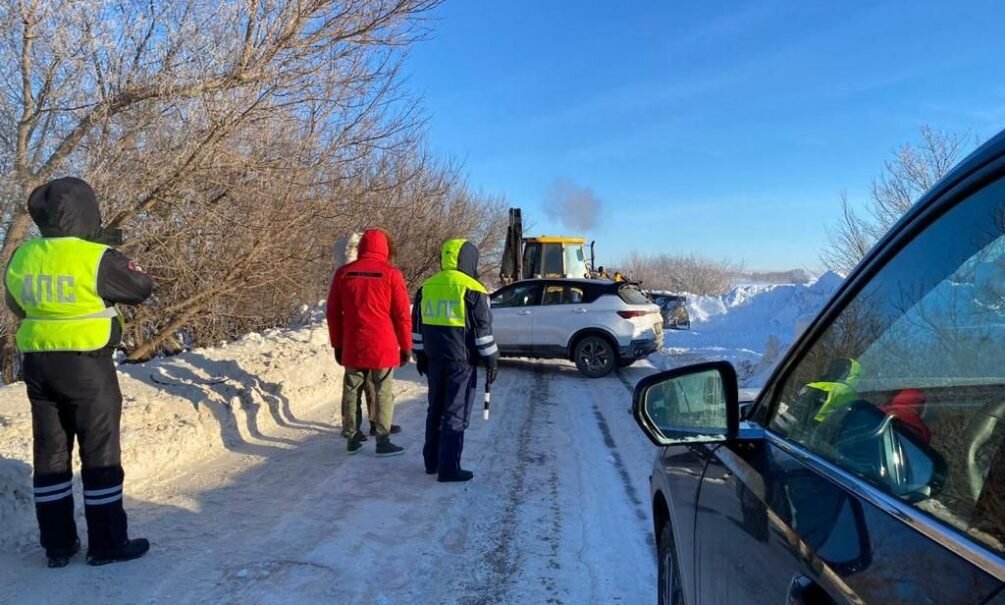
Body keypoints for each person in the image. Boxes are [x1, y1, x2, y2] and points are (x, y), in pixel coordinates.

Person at [3, 177, 153, 567]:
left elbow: (15, 302)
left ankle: (57, 545)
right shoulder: (95, 256)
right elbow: (141, 287)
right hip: (86, 366)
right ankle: (106, 544)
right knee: (100, 455)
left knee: (50, 455)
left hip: (37, 366)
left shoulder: (23, 256)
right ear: (87, 212)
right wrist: (106, 248)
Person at [412, 239, 498, 482]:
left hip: (433, 360)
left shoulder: (426, 287)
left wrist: (419, 354)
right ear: (469, 259)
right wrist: (492, 359)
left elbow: (416, 327)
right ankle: (450, 468)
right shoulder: (474, 289)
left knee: (435, 409)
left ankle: (432, 462)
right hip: (461, 361)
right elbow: (483, 332)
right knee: (455, 412)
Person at [327, 228, 411, 456]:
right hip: (382, 343)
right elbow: (402, 315)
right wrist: (406, 346)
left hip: (353, 341)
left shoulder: (343, 273)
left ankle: (352, 438)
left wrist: (337, 343)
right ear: (384, 248)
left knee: (352, 389)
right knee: (383, 390)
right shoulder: (392, 274)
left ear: (362, 247)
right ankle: (382, 440)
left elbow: (333, 313)